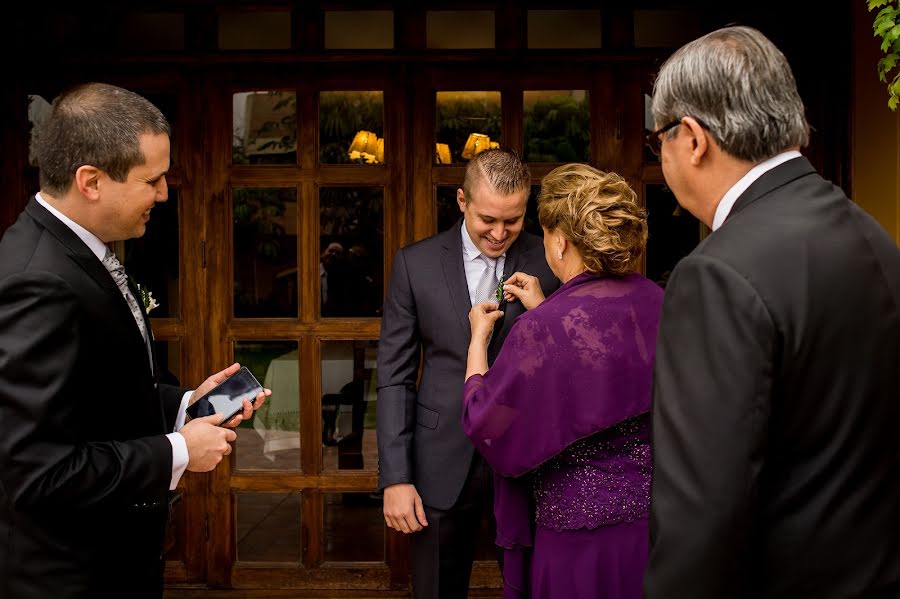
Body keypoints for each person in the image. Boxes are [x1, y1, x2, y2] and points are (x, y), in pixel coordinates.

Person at [644, 26, 900, 598]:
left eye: (657, 138)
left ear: (692, 138)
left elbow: (701, 517)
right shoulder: (874, 237)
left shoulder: (716, 273)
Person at [0, 82, 270, 599]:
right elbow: (36, 472)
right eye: (153, 179)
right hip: (68, 575)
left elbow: (93, 394)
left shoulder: (79, 249)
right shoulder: (36, 281)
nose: (165, 193)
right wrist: (177, 451)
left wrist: (182, 405)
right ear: (91, 181)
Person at [462, 164, 663, 598]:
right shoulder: (660, 302)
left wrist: (478, 342)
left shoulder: (544, 328)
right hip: (653, 531)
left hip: (576, 536)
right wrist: (545, 309)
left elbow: (486, 423)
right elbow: (612, 366)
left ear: (559, 240)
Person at [377, 148, 558, 598]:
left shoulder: (551, 261)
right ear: (461, 201)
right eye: (487, 220)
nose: (499, 233)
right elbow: (394, 376)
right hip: (439, 459)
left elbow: (572, 358)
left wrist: (545, 311)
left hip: (528, 458)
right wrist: (396, 477)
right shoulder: (414, 264)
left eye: (512, 220)